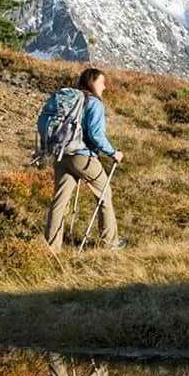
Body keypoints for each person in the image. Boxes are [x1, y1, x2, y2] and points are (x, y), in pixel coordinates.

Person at [41, 67, 124, 251]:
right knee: (104, 195)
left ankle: (52, 248)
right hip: (82, 156)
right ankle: (110, 242)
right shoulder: (94, 103)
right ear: (92, 82)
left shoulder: (73, 100)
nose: (104, 87)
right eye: (102, 82)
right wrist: (113, 153)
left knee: (59, 202)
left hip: (62, 154)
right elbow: (96, 135)